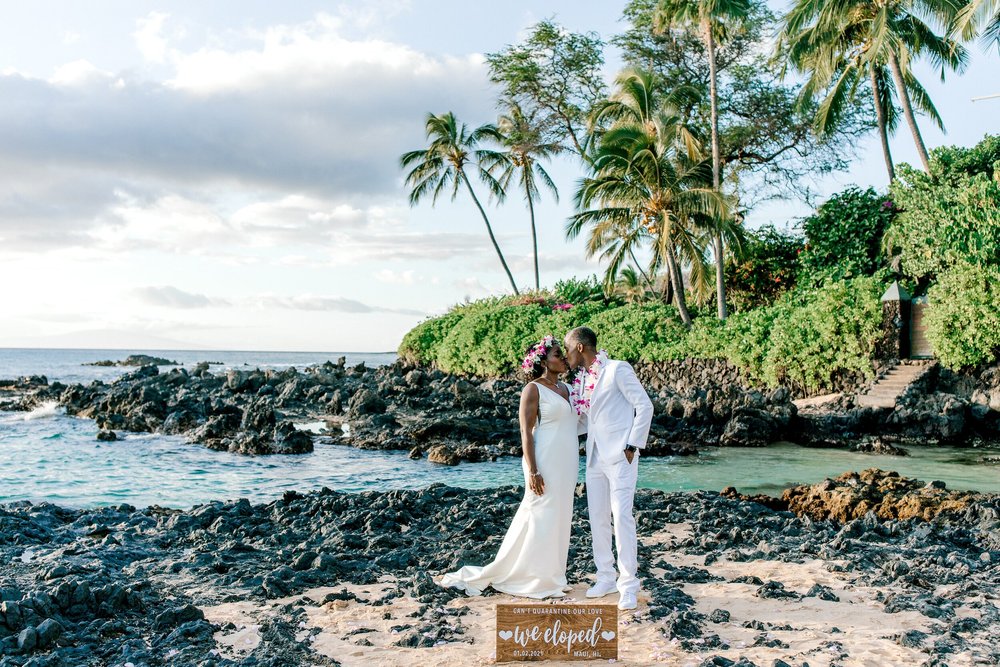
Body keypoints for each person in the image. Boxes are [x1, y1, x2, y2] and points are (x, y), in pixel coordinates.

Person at [438, 335, 580, 598]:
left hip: (567, 460)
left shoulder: (568, 389)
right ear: (543, 362)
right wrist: (534, 470)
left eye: (562, 354)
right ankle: (535, 577)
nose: (563, 358)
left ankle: (554, 575)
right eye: (557, 354)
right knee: (540, 515)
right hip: (544, 460)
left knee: (561, 515)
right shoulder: (533, 389)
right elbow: (526, 432)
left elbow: (576, 424)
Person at [563, 326, 653, 611]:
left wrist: (632, 445)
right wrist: (553, 429)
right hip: (594, 457)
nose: (566, 356)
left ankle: (628, 584)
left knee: (622, 517)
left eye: (567, 349)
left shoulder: (617, 369)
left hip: (621, 456)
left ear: (579, 347)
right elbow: (586, 420)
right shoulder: (582, 380)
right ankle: (605, 576)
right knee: (597, 518)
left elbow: (644, 405)